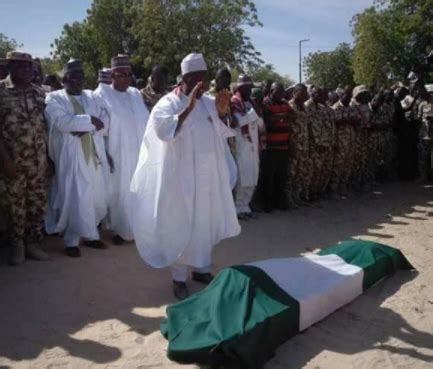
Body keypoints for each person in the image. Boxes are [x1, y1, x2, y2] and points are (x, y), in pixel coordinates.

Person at [130, 53, 240, 300]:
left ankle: (201, 269)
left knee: (204, 221)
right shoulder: (168, 103)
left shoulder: (208, 101)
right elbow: (162, 131)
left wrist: (223, 112)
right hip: (180, 178)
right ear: (186, 78)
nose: (201, 83)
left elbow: (224, 130)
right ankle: (179, 279)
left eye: (204, 78)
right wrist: (188, 107)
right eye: (197, 79)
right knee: (181, 223)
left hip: (206, 176)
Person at [44, 59, 110, 257]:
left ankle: (91, 236)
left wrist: (83, 125)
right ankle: (71, 241)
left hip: (93, 154)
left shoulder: (92, 96)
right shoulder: (54, 98)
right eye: (72, 78)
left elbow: (106, 119)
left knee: (94, 196)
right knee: (74, 197)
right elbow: (64, 123)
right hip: (70, 157)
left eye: (81, 77)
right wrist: (91, 121)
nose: (77, 81)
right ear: (63, 80)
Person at [0, 51, 50, 265]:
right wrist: (5, 161)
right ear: (10, 67)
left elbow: (43, 126)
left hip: (37, 161)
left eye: (29, 67)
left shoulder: (38, 93)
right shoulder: (1, 91)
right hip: (12, 161)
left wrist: (49, 158)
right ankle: (17, 245)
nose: (27, 70)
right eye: (21, 66)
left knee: (37, 203)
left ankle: (32, 244)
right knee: (15, 205)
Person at [94, 54, 149, 245]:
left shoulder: (135, 93)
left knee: (138, 189)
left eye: (129, 74)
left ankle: (137, 228)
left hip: (140, 151)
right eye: (121, 74)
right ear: (113, 75)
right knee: (120, 191)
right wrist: (104, 153)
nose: (126, 78)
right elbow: (100, 129)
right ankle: (119, 230)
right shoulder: (102, 95)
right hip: (117, 153)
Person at [258, 82, 294, 212]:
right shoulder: (266, 104)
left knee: (281, 176)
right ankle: (267, 204)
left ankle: (279, 202)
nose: (280, 94)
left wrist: (280, 118)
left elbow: (291, 117)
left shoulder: (285, 104)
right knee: (269, 177)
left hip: (283, 146)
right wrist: (282, 117)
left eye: (281, 92)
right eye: (277, 92)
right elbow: (268, 121)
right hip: (270, 147)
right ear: (271, 92)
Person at [231, 74, 263, 219]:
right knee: (242, 177)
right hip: (242, 143)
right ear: (240, 87)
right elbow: (238, 121)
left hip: (253, 143)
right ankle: (238, 208)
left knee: (252, 176)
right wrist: (253, 115)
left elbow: (259, 123)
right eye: (248, 87)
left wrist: (257, 116)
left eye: (251, 87)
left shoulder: (251, 102)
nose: (250, 90)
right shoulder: (235, 101)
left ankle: (246, 206)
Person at [330, 87, 358, 197]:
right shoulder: (336, 107)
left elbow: (356, 120)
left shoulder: (351, 107)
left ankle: (343, 187)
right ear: (341, 95)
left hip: (350, 140)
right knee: (338, 166)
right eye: (346, 95)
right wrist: (349, 120)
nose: (348, 97)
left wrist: (348, 120)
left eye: (350, 95)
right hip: (340, 141)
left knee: (348, 165)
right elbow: (337, 121)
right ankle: (333, 189)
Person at [288, 84, 311, 205]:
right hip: (294, 144)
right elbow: (287, 127)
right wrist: (290, 144)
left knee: (301, 171)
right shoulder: (289, 106)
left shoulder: (304, 107)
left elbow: (308, 125)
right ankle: (288, 198)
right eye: (302, 92)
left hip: (304, 144)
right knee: (291, 172)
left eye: (305, 92)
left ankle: (297, 196)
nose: (305, 95)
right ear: (295, 92)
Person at [416, 85, 433, 182]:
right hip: (424, 134)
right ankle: (423, 176)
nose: (430, 95)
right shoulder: (422, 104)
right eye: (429, 93)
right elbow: (419, 118)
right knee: (422, 156)